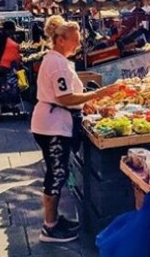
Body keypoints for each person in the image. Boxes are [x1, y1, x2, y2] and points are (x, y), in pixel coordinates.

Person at [31, 15, 109, 243]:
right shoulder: (56, 63)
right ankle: (50, 227)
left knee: (58, 171)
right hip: (52, 126)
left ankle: (54, 220)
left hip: (53, 122)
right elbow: (65, 98)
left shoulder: (58, 60)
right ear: (61, 40)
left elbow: (70, 96)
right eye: (75, 39)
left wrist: (87, 101)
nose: (78, 43)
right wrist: (97, 94)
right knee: (56, 174)